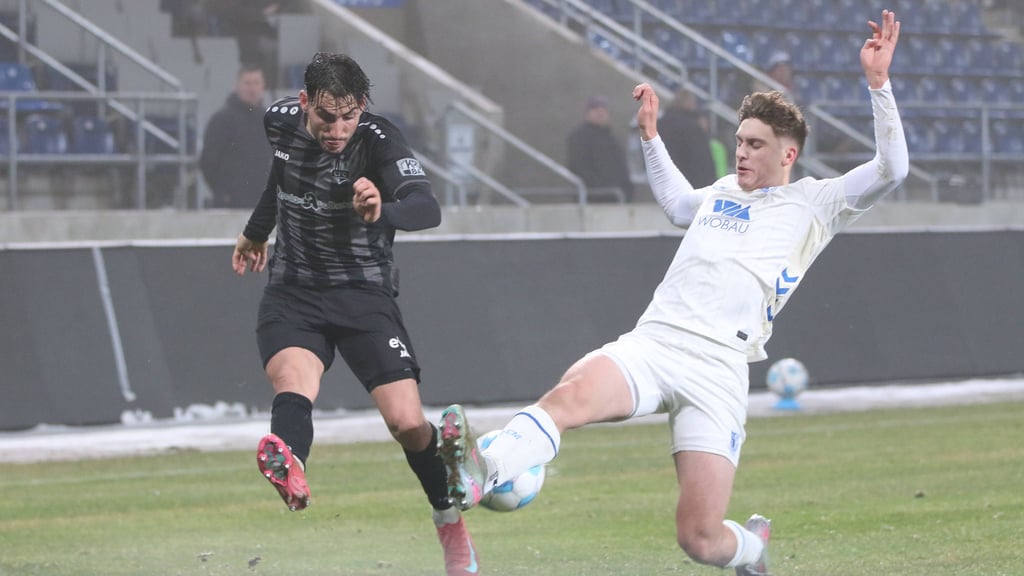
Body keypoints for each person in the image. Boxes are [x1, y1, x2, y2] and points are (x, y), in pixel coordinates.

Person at [438, 10, 906, 576]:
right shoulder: (724, 190)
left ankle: (751, 551)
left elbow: (891, 168)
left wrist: (878, 86)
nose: (742, 153)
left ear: (788, 153)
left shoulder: (819, 203)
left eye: (756, 145)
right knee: (567, 397)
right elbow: (678, 205)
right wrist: (651, 138)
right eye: (739, 141)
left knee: (701, 538)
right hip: (655, 342)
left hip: (719, 370)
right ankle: (480, 472)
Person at [231, 52, 479, 576]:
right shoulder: (277, 122)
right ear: (303, 103)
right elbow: (281, 179)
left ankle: (449, 519)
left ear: (361, 107)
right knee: (294, 385)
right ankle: (290, 464)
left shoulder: (379, 140)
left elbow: (426, 208)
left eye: (348, 116)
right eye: (326, 116)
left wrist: (380, 209)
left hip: (363, 295)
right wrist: (257, 232)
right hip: (293, 291)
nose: (337, 129)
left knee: (407, 422)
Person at [200, 63, 272, 208]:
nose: (252, 88)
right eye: (247, 83)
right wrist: (222, 192)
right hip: (230, 204)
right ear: (237, 85)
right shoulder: (222, 119)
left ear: (263, 86)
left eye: (256, 83)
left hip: (262, 203)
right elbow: (208, 161)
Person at [566, 95, 635, 202]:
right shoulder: (579, 137)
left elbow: (621, 167)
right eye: (595, 109)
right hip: (593, 198)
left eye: (603, 109)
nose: (600, 112)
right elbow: (578, 167)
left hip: (617, 198)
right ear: (587, 113)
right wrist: (602, 188)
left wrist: (627, 190)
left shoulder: (611, 138)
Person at [658, 88, 718, 189]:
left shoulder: (661, 124)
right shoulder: (693, 126)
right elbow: (700, 159)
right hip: (692, 180)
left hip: (668, 177)